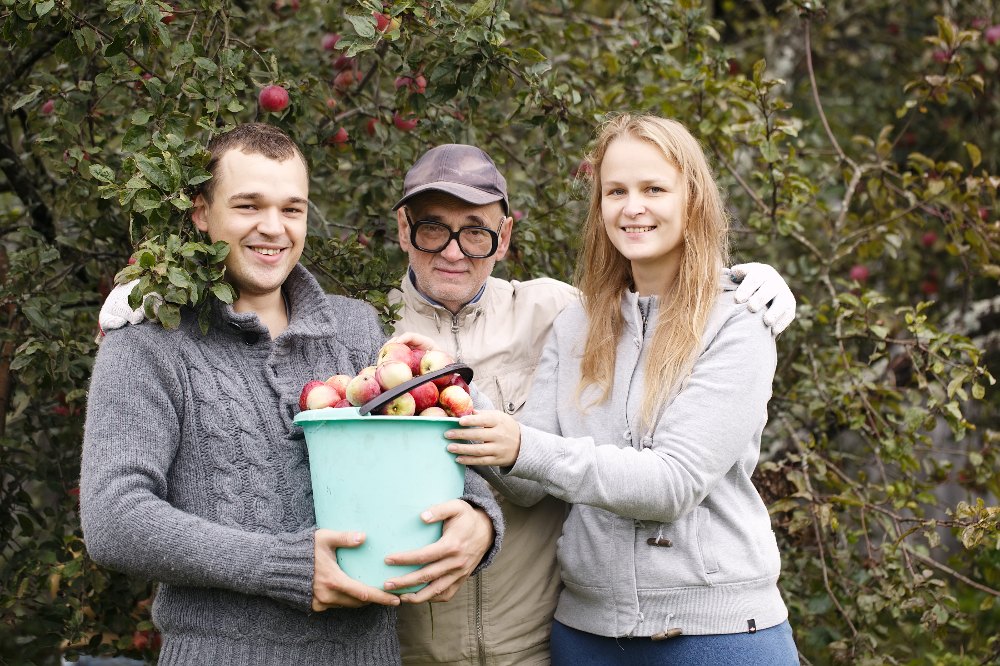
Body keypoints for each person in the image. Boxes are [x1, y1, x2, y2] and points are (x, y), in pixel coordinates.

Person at [98, 142, 796, 665]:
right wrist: (146, 294)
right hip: (410, 648)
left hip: (537, 644)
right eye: (433, 228)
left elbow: (655, 303)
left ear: (506, 236)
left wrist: (748, 283)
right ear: (403, 232)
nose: (455, 250)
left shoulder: (562, 314)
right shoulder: (369, 329)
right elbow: (118, 515)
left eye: (477, 232)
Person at [81, 123, 504, 665]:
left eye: (292, 209)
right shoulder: (149, 343)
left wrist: (478, 518)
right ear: (201, 212)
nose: (273, 228)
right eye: (248, 206)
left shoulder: (353, 330)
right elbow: (114, 518)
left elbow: (430, 453)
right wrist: (282, 565)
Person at [443, 114, 799, 664]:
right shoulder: (578, 321)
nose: (632, 207)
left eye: (653, 188)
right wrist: (461, 397)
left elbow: (672, 485)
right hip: (587, 635)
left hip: (715, 636)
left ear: (693, 198)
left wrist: (523, 447)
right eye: (616, 191)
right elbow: (529, 484)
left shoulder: (739, 320)